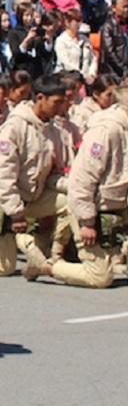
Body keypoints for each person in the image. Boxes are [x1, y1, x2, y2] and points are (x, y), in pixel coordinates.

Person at [0, 75, 72, 279]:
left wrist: (73, 186)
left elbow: (55, 173)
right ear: (40, 98)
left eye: (62, 102)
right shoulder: (15, 127)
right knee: (2, 268)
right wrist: (16, 213)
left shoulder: (54, 132)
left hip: (32, 197)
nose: (60, 108)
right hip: (3, 200)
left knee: (71, 202)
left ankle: (50, 255)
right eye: (56, 102)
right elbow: (2, 175)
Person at [45, 86, 128, 288]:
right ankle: (50, 267)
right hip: (95, 206)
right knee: (100, 278)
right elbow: (82, 179)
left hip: (119, 204)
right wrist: (86, 222)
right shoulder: (106, 130)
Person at [53, 9, 98, 83]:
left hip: (87, 79)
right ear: (67, 22)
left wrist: (92, 74)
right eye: (76, 21)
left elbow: (92, 58)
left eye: (80, 20)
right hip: (69, 79)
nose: (79, 24)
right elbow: (65, 62)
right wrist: (81, 75)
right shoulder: (61, 40)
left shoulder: (85, 39)